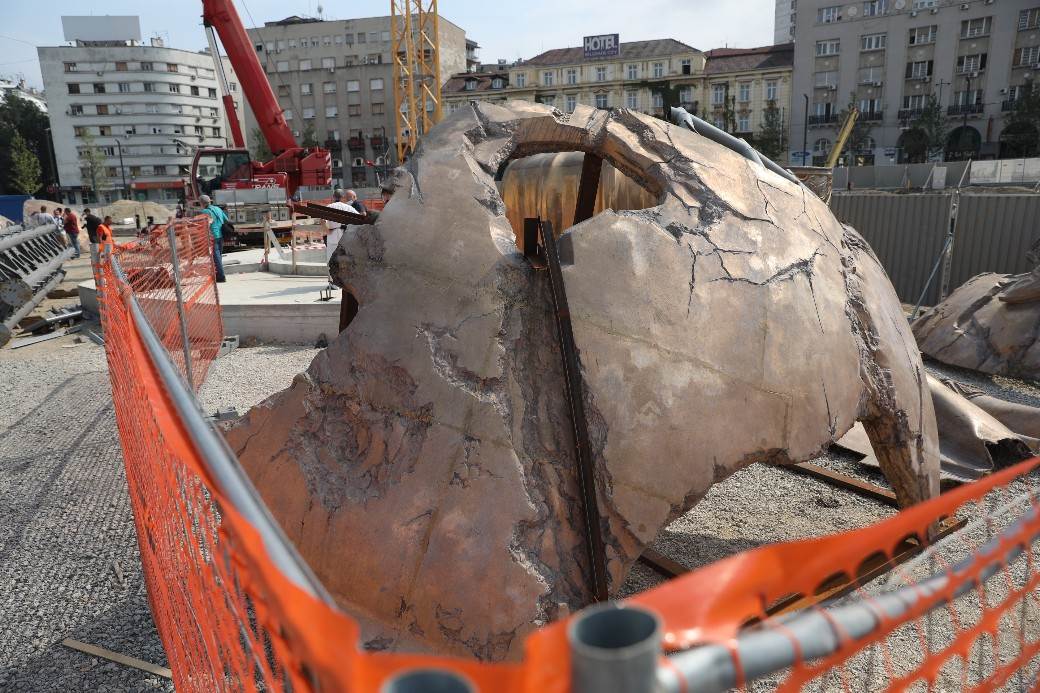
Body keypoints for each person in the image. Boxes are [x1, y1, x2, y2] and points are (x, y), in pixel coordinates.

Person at [199, 195, 228, 283]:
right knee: (219, 256)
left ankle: (221, 277)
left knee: (216, 257)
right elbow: (226, 219)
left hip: (212, 236)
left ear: (201, 203)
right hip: (221, 235)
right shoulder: (218, 209)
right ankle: (218, 274)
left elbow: (202, 225)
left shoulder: (205, 211)